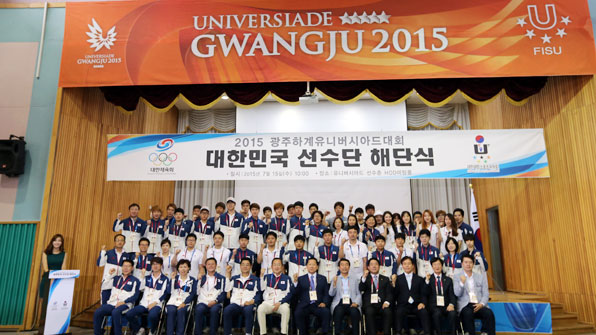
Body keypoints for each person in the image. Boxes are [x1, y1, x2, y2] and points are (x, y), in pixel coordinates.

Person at [93, 259, 140, 335]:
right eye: (124, 266)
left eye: (128, 266)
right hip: (112, 303)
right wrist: (109, 275)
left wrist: (123, 302)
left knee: (116, 312)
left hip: (125, 304)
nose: (126, 268)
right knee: (98, 312)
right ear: (121, 267)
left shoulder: (135, 281)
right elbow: (104, 286)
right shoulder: (116, 278)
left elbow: (135, 296)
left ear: (132, 268)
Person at [125, 257, 169, 335]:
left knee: (152, 316)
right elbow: (140, 288)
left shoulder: (165, 279)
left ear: (161, 265)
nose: (155, 266)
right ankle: (139, 329)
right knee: (129, 314)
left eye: (157, 264)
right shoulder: (147, 278)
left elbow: (165, 293)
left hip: (156, 304)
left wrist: (155, 303)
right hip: (144, 304)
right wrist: (142, 276)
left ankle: (152, 331)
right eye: (153, 264)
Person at [454, 255, 495, 335]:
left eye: (470, 262)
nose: (468, 264)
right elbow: (457, 293)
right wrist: (461, 283)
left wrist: (482, 304)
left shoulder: (480, 277)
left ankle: (485, 332)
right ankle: (469, 333)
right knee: (467, 313)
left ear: (473, 264)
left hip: (478, 303)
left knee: (489, 313)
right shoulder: (457, 277)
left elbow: (486, 293)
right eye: (466, 262)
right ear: (462, 264)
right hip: (465, 305)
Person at [223, 257, 262, 335]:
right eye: (243, 264)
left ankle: (248, 333)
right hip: (235, 304)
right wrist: (227, 276)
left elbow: (259, 294)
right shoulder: (235, 278)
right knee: (227, 310)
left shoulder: (255, 279)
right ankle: (227, 333)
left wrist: (252, 301)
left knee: (248, 311)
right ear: (240, 266)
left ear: (250, 266)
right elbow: (227, 289)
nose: (245, 267)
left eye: (247, 265)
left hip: (248, 303)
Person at [393, 256, 430, 335]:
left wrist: (423, 303)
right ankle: (398, 332)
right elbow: (395, 294)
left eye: (409, 264)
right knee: (398, 311)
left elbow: (423, 293)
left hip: (416, 305)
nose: (407, 266)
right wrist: (393, 284)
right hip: (403, 305)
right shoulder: (398, 279)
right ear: (402, 266)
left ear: (413, 265)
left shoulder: (419, 279)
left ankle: (427, 332)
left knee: (424, 312)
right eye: (405, 264)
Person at [294, 258, 331, 335]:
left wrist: (324, 303)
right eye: (310, 264)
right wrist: (295, 282)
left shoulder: (323, 278)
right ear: (306, 266)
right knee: (298, 312)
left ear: (317, 267)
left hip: (318, 304)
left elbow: (326, 293)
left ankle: (324, 332)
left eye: (314, 264)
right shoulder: (301, 279)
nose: (311, 266)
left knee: (326, 312)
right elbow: (297, 293)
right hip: (305, 305)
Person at [257, 258, 294, 335]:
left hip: (281, 304)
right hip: (268, 303)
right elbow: (261, 289)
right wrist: (261, 276)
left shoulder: (287, 278)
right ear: (271, 266)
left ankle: (284, 332)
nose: (277, 267)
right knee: (260, 308)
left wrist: (280, 302)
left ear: (282, 266)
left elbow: (290, 294)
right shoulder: (266, 277)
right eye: (275, 265)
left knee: (286, 310)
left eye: (279, 265)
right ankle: (262, 332)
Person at [39, 234, 67, 330]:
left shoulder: (64, 254)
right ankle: (43, 328)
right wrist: (53, 275)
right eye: (55, 240)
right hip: (47, 280)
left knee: (56, 304)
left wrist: (60, 277)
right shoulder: (45, 253)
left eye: (59, 240)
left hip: (58, 281)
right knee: (44, 304)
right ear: (52, 242)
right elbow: (46, 268)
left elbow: (63, 268)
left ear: (61, 243)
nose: (57, 242)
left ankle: (55, 328)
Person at [97, 234, 134, 304]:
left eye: (122, 240)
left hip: (119, 283)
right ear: (114, 242)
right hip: (108, 281)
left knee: (116, 302)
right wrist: (102, 252)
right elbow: (99, 264)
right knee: (105, 302)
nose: (120, 242)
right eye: (118, 240)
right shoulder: (108, 253)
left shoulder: (127, 255)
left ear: (124, 242)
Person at [359, 258, 392, 335]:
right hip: (369, 305)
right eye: (372, 264)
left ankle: (386, 332)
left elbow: (389, 293)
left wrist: (387, 302)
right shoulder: (365, 278)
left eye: (376, 264)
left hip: (382, 305)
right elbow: (361, 288)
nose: (374, 266)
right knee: (369, 311)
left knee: (388, 311)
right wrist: (363, 277)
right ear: (368, 267)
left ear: (379, 266)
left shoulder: (385, 279)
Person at [194, 258, 227, 335]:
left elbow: (223, 293)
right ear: (205, 266)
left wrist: (216, 301)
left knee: (214, 310)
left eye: (212, 264)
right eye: (208, 264)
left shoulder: (221, 278)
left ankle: (213, 332)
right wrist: (198, 281)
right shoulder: (202, 277)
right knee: (199, 309)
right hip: (203, 301)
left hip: (215, 302)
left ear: (216, 265)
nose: (211, 266)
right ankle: (198, 333)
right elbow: (196, 292)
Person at [425, 257, 457, 335]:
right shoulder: (428, 279)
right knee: (436, 313)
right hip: (434, 306)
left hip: (446, 305)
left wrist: (451, 304)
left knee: (452, 313)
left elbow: (452, 295)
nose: (437, 266)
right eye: (434, 264)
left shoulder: (448, 280)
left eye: (439, 264)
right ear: (432, 267)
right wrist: (427, 281)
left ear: (442, 266)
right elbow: (425, 293)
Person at [329, 259, 361, 335]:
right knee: (338, 311)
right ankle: (337, 333)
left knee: (354, 312)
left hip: (352, 301)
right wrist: (334, 285)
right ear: (339, 267)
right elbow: (331, 294)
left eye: (346, 265)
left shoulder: (354, 279)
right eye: (342, 265)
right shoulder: (335, 279)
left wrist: (356, 302)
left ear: (349, 267)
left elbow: (358, 294)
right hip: (339, 302)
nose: (344, 267)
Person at [166, 259, 197, 335]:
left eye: (185, 267)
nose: (183, 269)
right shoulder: (175, 278)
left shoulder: (192, 280)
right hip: (173, 301)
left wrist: (185, 302)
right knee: (171, 311)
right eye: (181, 267)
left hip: (185, 302)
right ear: (178, 269)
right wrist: (172, 279)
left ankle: (180, 333)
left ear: (189, 268)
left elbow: (193, 293)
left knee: (181, 311)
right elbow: (169, 291)